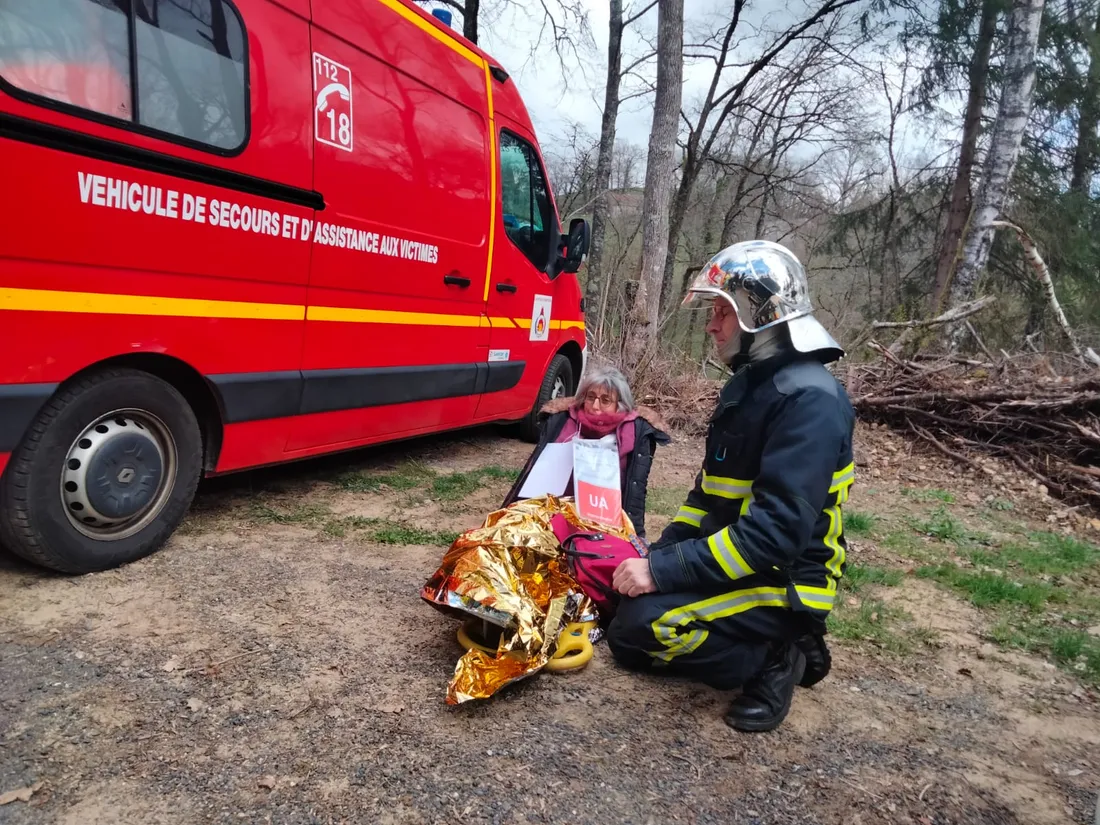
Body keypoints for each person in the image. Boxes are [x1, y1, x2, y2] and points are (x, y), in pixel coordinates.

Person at [606, 239, 855, 733]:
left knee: (639, 630)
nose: (711, 325)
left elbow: (774, 536)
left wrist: (663, 573)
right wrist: (655, 557)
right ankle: (764, 642)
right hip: (738, 561)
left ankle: (778, 653)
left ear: (758, 317)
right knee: (621, 604)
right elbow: (706, 499)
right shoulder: (752, 387)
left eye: (723, 310)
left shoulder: (811, 402)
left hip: (785, 579)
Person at [503, 364, 670, 539]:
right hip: (554, 512)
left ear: (619, 405)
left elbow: (636, 491)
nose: (595, 406)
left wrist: (636, 535)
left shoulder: (634, 431)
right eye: (591, 397)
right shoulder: (563, 420)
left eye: (605, 400)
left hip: (606, 520)